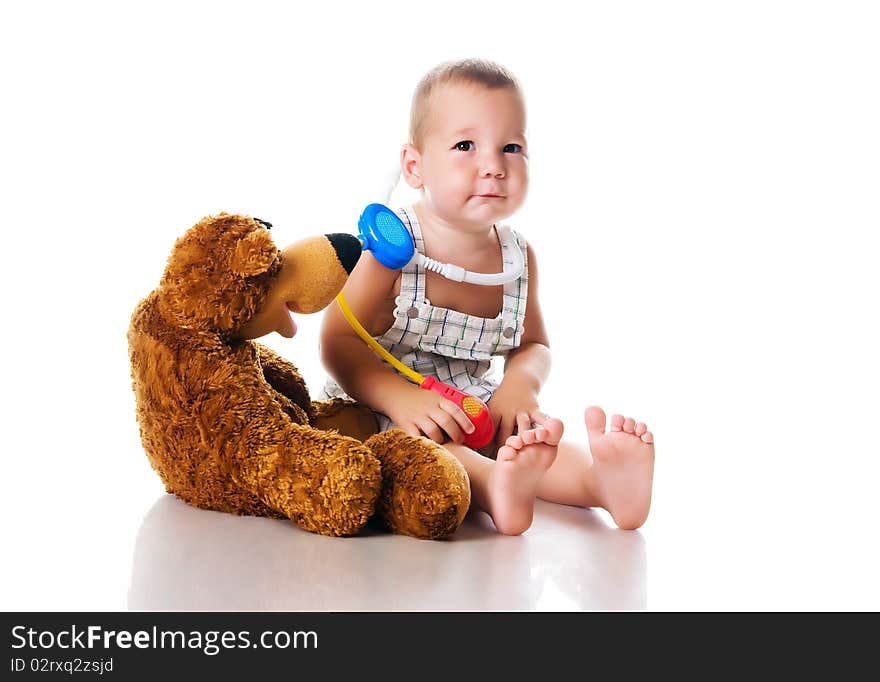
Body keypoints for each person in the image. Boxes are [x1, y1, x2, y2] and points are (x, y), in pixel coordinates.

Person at [320, 58, 654, 535]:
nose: (493, 167)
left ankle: (600, 483)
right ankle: (496, 487)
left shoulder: (516, 258)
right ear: (414, 167)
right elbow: (337, 341)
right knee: (435, 451)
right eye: (465, 146)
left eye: (511, 147)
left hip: (471, 402)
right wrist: (400, 399)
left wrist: (521, 386)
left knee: (527, 439)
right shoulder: (394, 248)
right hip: (383, 409)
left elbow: (533, 345)